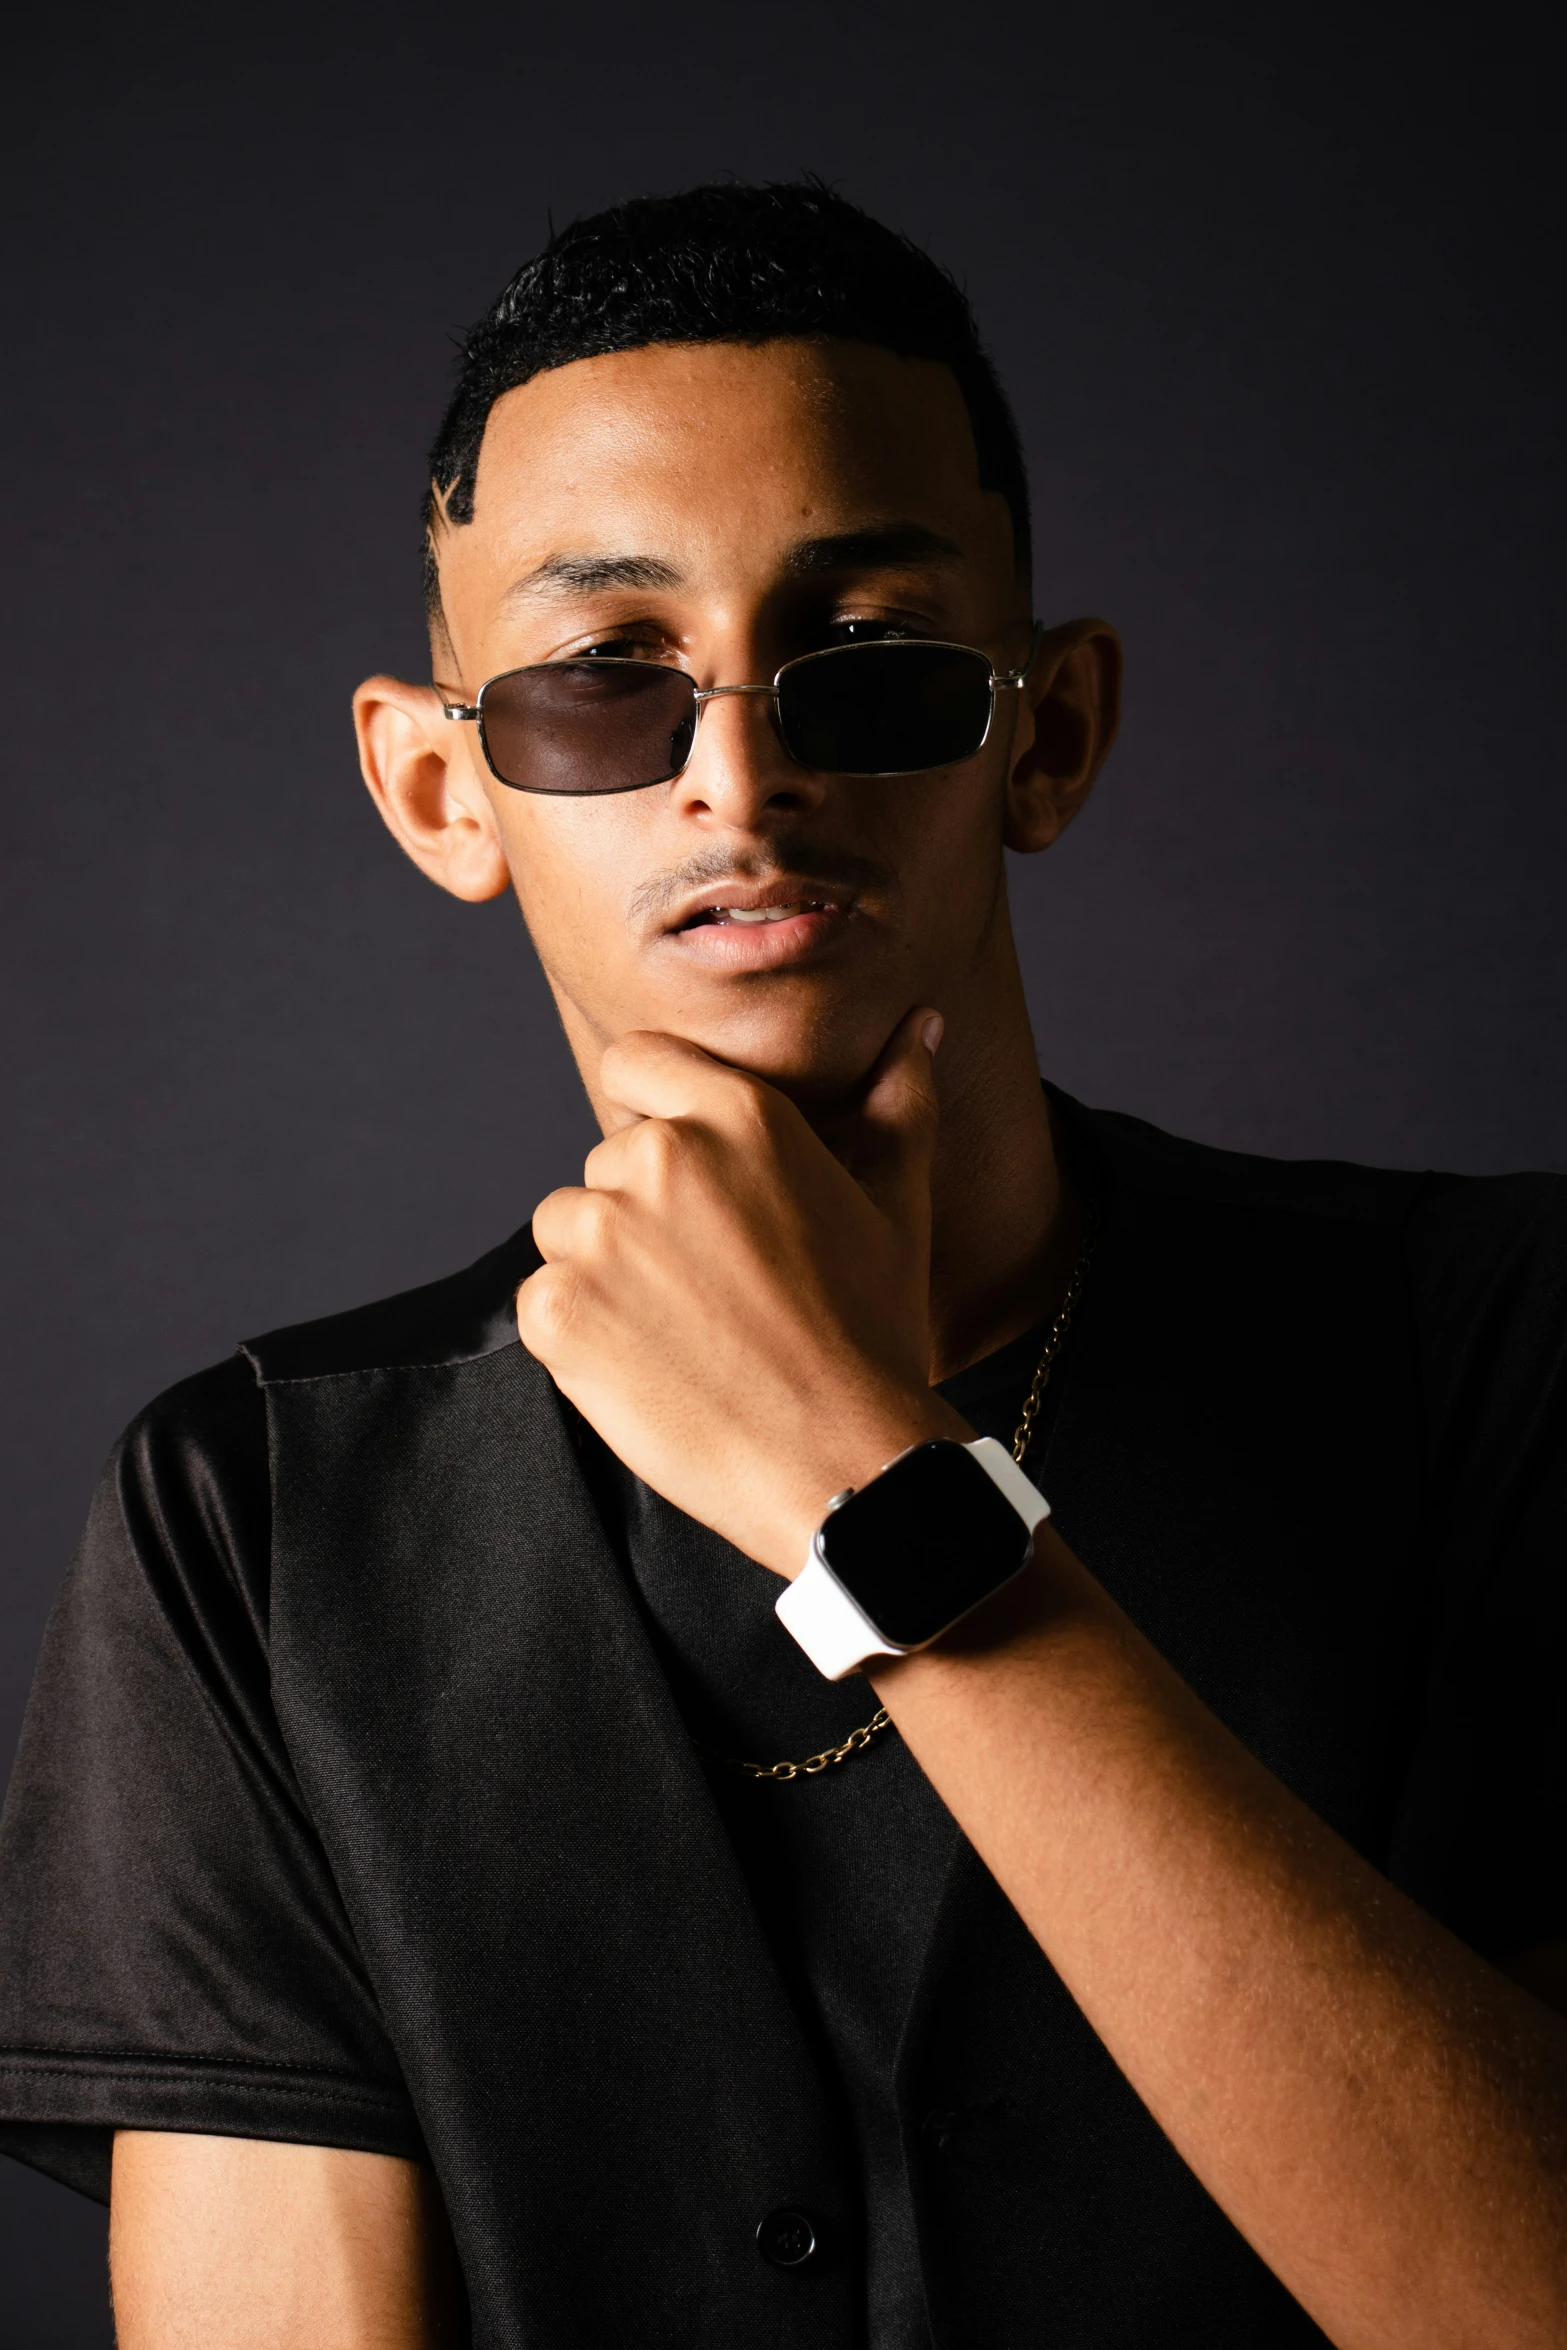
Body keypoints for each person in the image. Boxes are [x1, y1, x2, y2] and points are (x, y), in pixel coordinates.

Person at [2, 180, 1565, 2350]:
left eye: (877, 664)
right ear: (444, 790)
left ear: (1052, 729)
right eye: (596, 688)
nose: (744, 772)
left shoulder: (1489, 1342)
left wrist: (867, 1472)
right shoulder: (250, 1521)